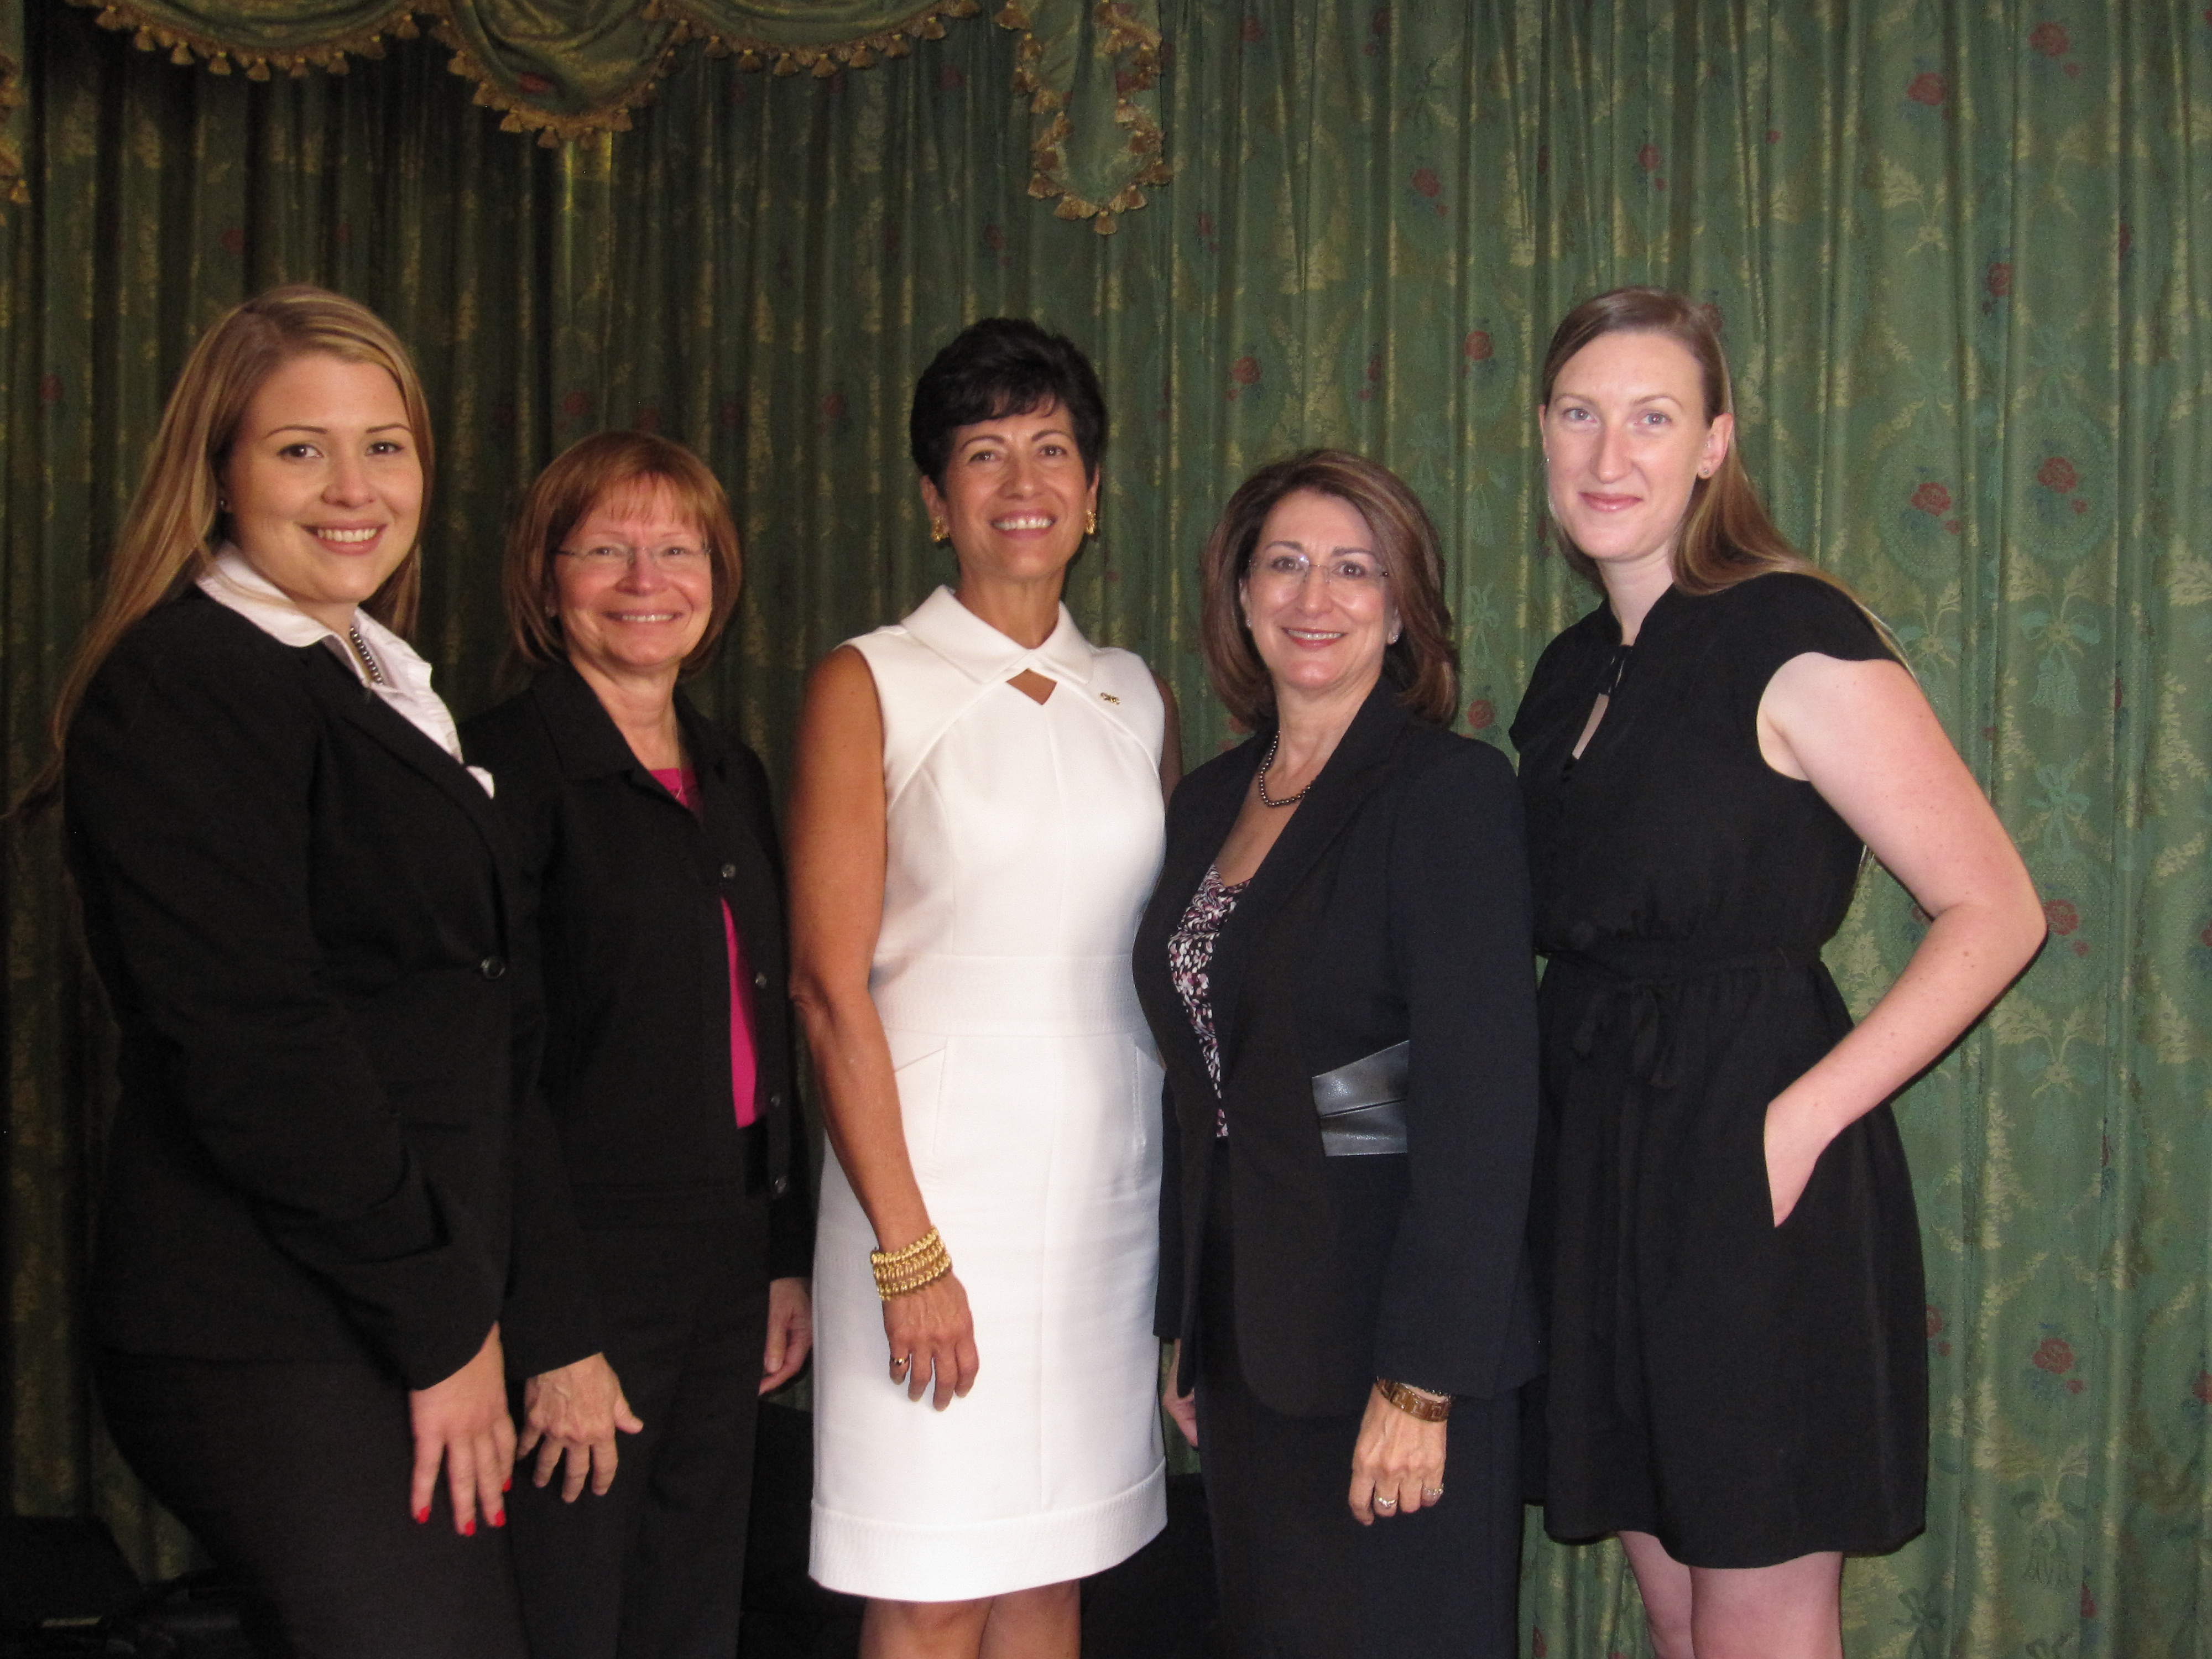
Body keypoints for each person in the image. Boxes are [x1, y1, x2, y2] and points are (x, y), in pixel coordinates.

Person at [30, 285, 603, 1658]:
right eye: (300, 448)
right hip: (269, 1323)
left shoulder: (372, 681)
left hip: (394, 1298)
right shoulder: (184, 681)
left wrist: (525, 1316)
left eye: (385, 445)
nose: (354, 488)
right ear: (218, 471)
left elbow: (476, 1029)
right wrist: (445, 1327)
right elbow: (258, 1047)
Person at [1511, 287, 2046, 1659]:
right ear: (1542, 437)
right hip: (1597, 1160)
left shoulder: (1787, 630)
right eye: (1579, 415)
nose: (1608, 454)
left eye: (1650, 418)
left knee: (1756, 1607)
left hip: (1750, 1153)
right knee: (1678, 1610)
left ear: (1712, 445)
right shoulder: (1567, 676)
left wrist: (1794, 1122)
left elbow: (1992, 908)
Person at [788, 317, 1178, 1658]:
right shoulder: (871, 680)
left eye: (1052, 448)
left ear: (1091, 492)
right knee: (933, 1585)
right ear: (933, 501)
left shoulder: (1132, 695)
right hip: (931, 1208)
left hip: (1102, 1213)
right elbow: (827, 991)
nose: (1023, 481)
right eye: (983, 452)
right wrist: (908, 1252)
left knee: (1052, 1576)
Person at [1133, 449, 1541, 1658]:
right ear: (1240, 593)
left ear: (1400, 606)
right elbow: (1201, 1080)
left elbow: (1482, 1104)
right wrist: (1188, 1327)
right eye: (1286, 564)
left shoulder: (1449, 792)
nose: (1315, 598)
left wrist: (1423, 1380)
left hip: (1392, 1344)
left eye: (1353, 570)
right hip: (1251, 1335)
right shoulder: (1205, 802)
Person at [462, 431, 815, 1659]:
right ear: (544, 575)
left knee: (690, 1602)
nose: (642, 579)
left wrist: (782, 1254)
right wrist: (553, 1335)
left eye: (675, 550)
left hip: (723, 1260)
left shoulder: (729, 768)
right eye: (604, 550)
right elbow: (486, 1080)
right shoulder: (498, 771)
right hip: (579, 1270)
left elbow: (774, 1022)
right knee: (572, 1609)